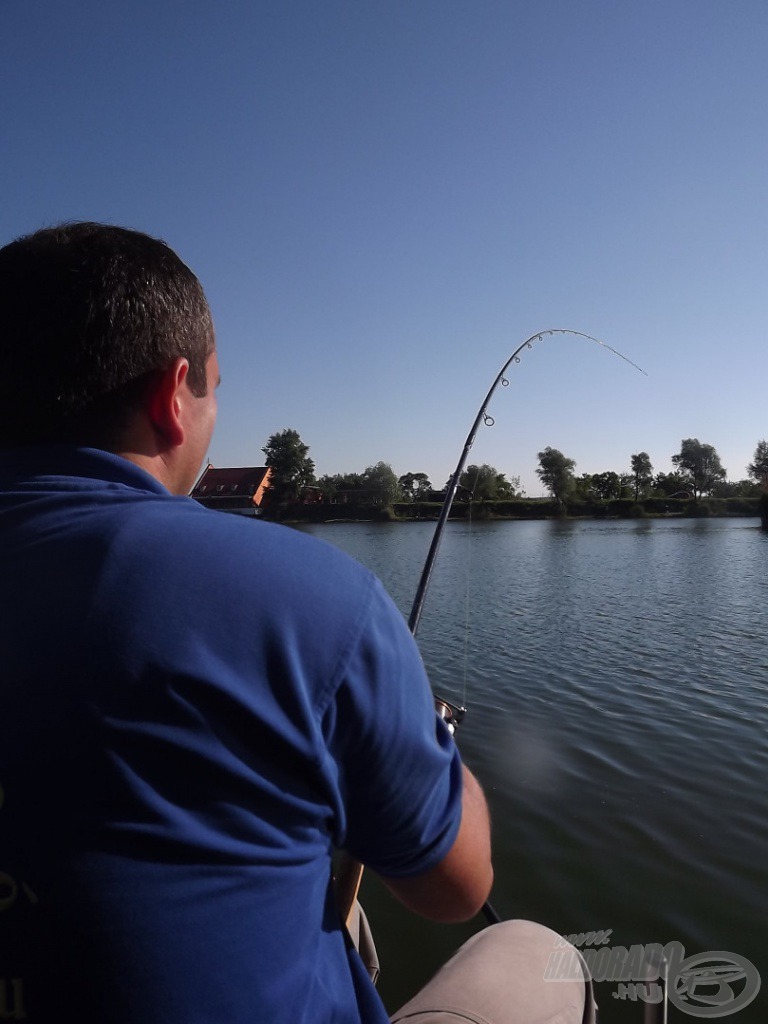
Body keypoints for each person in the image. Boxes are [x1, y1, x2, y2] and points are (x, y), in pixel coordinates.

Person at [0, 222, 593, 1024]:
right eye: (215, 387)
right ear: (171, 397)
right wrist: (435, 744)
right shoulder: (307, 598)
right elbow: (458, 889)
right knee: (536, 950)